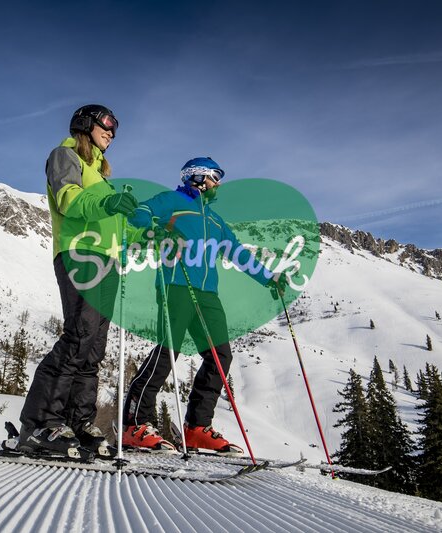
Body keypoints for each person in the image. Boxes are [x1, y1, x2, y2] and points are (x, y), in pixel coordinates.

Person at [121, 157, 285, 453]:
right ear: (196, 177)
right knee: (167, 352)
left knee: (220, 357)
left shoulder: (214, 220)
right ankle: (135, 424)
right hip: (175, 286)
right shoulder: (171, 201)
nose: (218, 183)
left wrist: (269, 277)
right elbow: (139, 212)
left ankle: (196, 428)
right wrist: (154, 228)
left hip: (207, 294)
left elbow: (236, 253)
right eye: (214, 177)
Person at [16, 104, 138, 458]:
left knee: (94, 348)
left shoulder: (101, 176)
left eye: (115, 129)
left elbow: (116, 225)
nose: (112, 133)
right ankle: (39, 424)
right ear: (86, 123)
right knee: (78, 336)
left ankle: (78, 422)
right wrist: (110, 203)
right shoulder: (65, 156)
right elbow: (69, 200)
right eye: (107, 125)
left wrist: (142, 229)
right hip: (79, 254)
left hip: (108, 260)